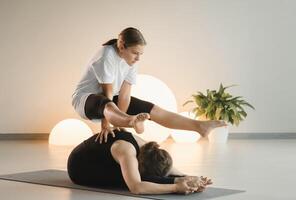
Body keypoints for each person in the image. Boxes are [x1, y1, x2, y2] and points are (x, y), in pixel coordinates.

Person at [71, 27, 227, 143]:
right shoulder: (106, 56)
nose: (138, 58)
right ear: (121, 46)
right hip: (86, 100)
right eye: (135, 52)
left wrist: (121, 124)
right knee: (107, 103)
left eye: (141, 53)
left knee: (152, 109)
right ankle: (132, 121)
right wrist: (106, 126)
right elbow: (108, 94)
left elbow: (124, 95)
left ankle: (198, 126)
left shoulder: (131, 61)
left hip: (110, 101)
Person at [67, 130, 213, 195]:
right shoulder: (126, 151)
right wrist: (176, 187)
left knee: (137, 175)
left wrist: (187, 176)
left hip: (103, 158)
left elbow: (167, 167)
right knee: (135, 180)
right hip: (79, 167)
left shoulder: (148, 148)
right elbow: (137, 188)